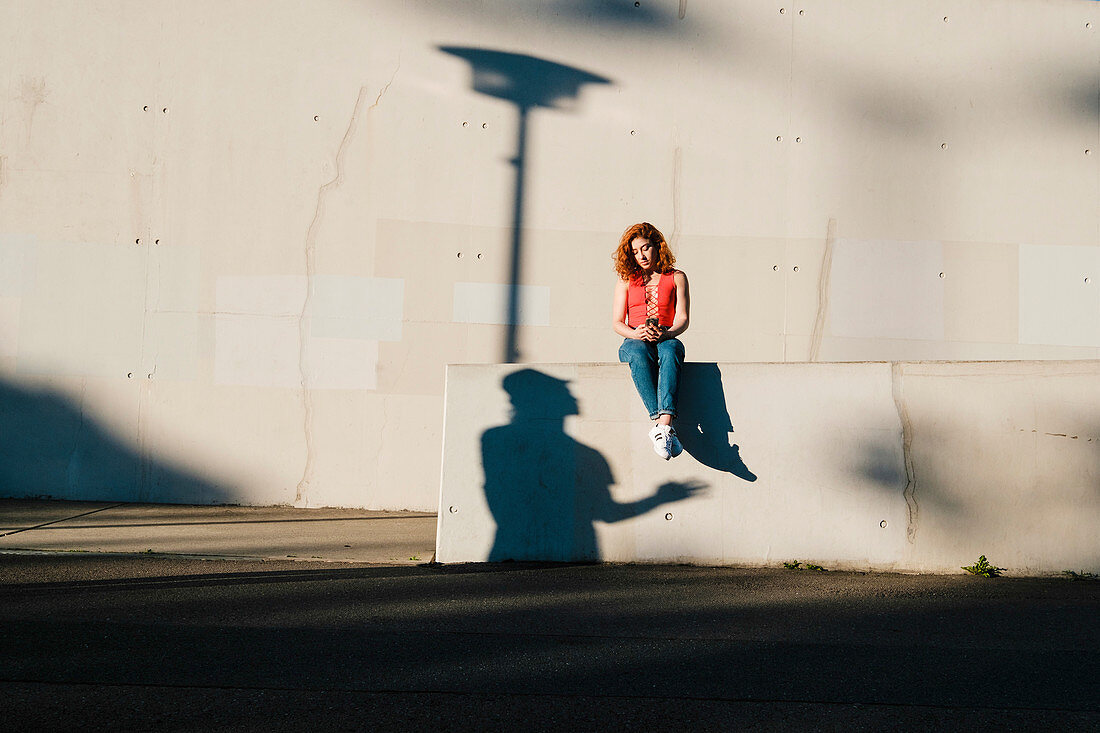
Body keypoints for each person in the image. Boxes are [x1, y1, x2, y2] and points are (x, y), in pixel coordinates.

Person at [611, 222, 690, 460]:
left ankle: (663, 427)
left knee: (672, 348)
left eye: (645, 248)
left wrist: (666, 334)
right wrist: (636, 333)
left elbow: (683, 318)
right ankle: (661, 424)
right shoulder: (626, 280)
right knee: (637, 351)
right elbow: (617, 322)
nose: (641, 255)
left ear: (658, 246)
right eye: (635, 252)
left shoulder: (677, 277)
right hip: (635, 338)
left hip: (664, 335)